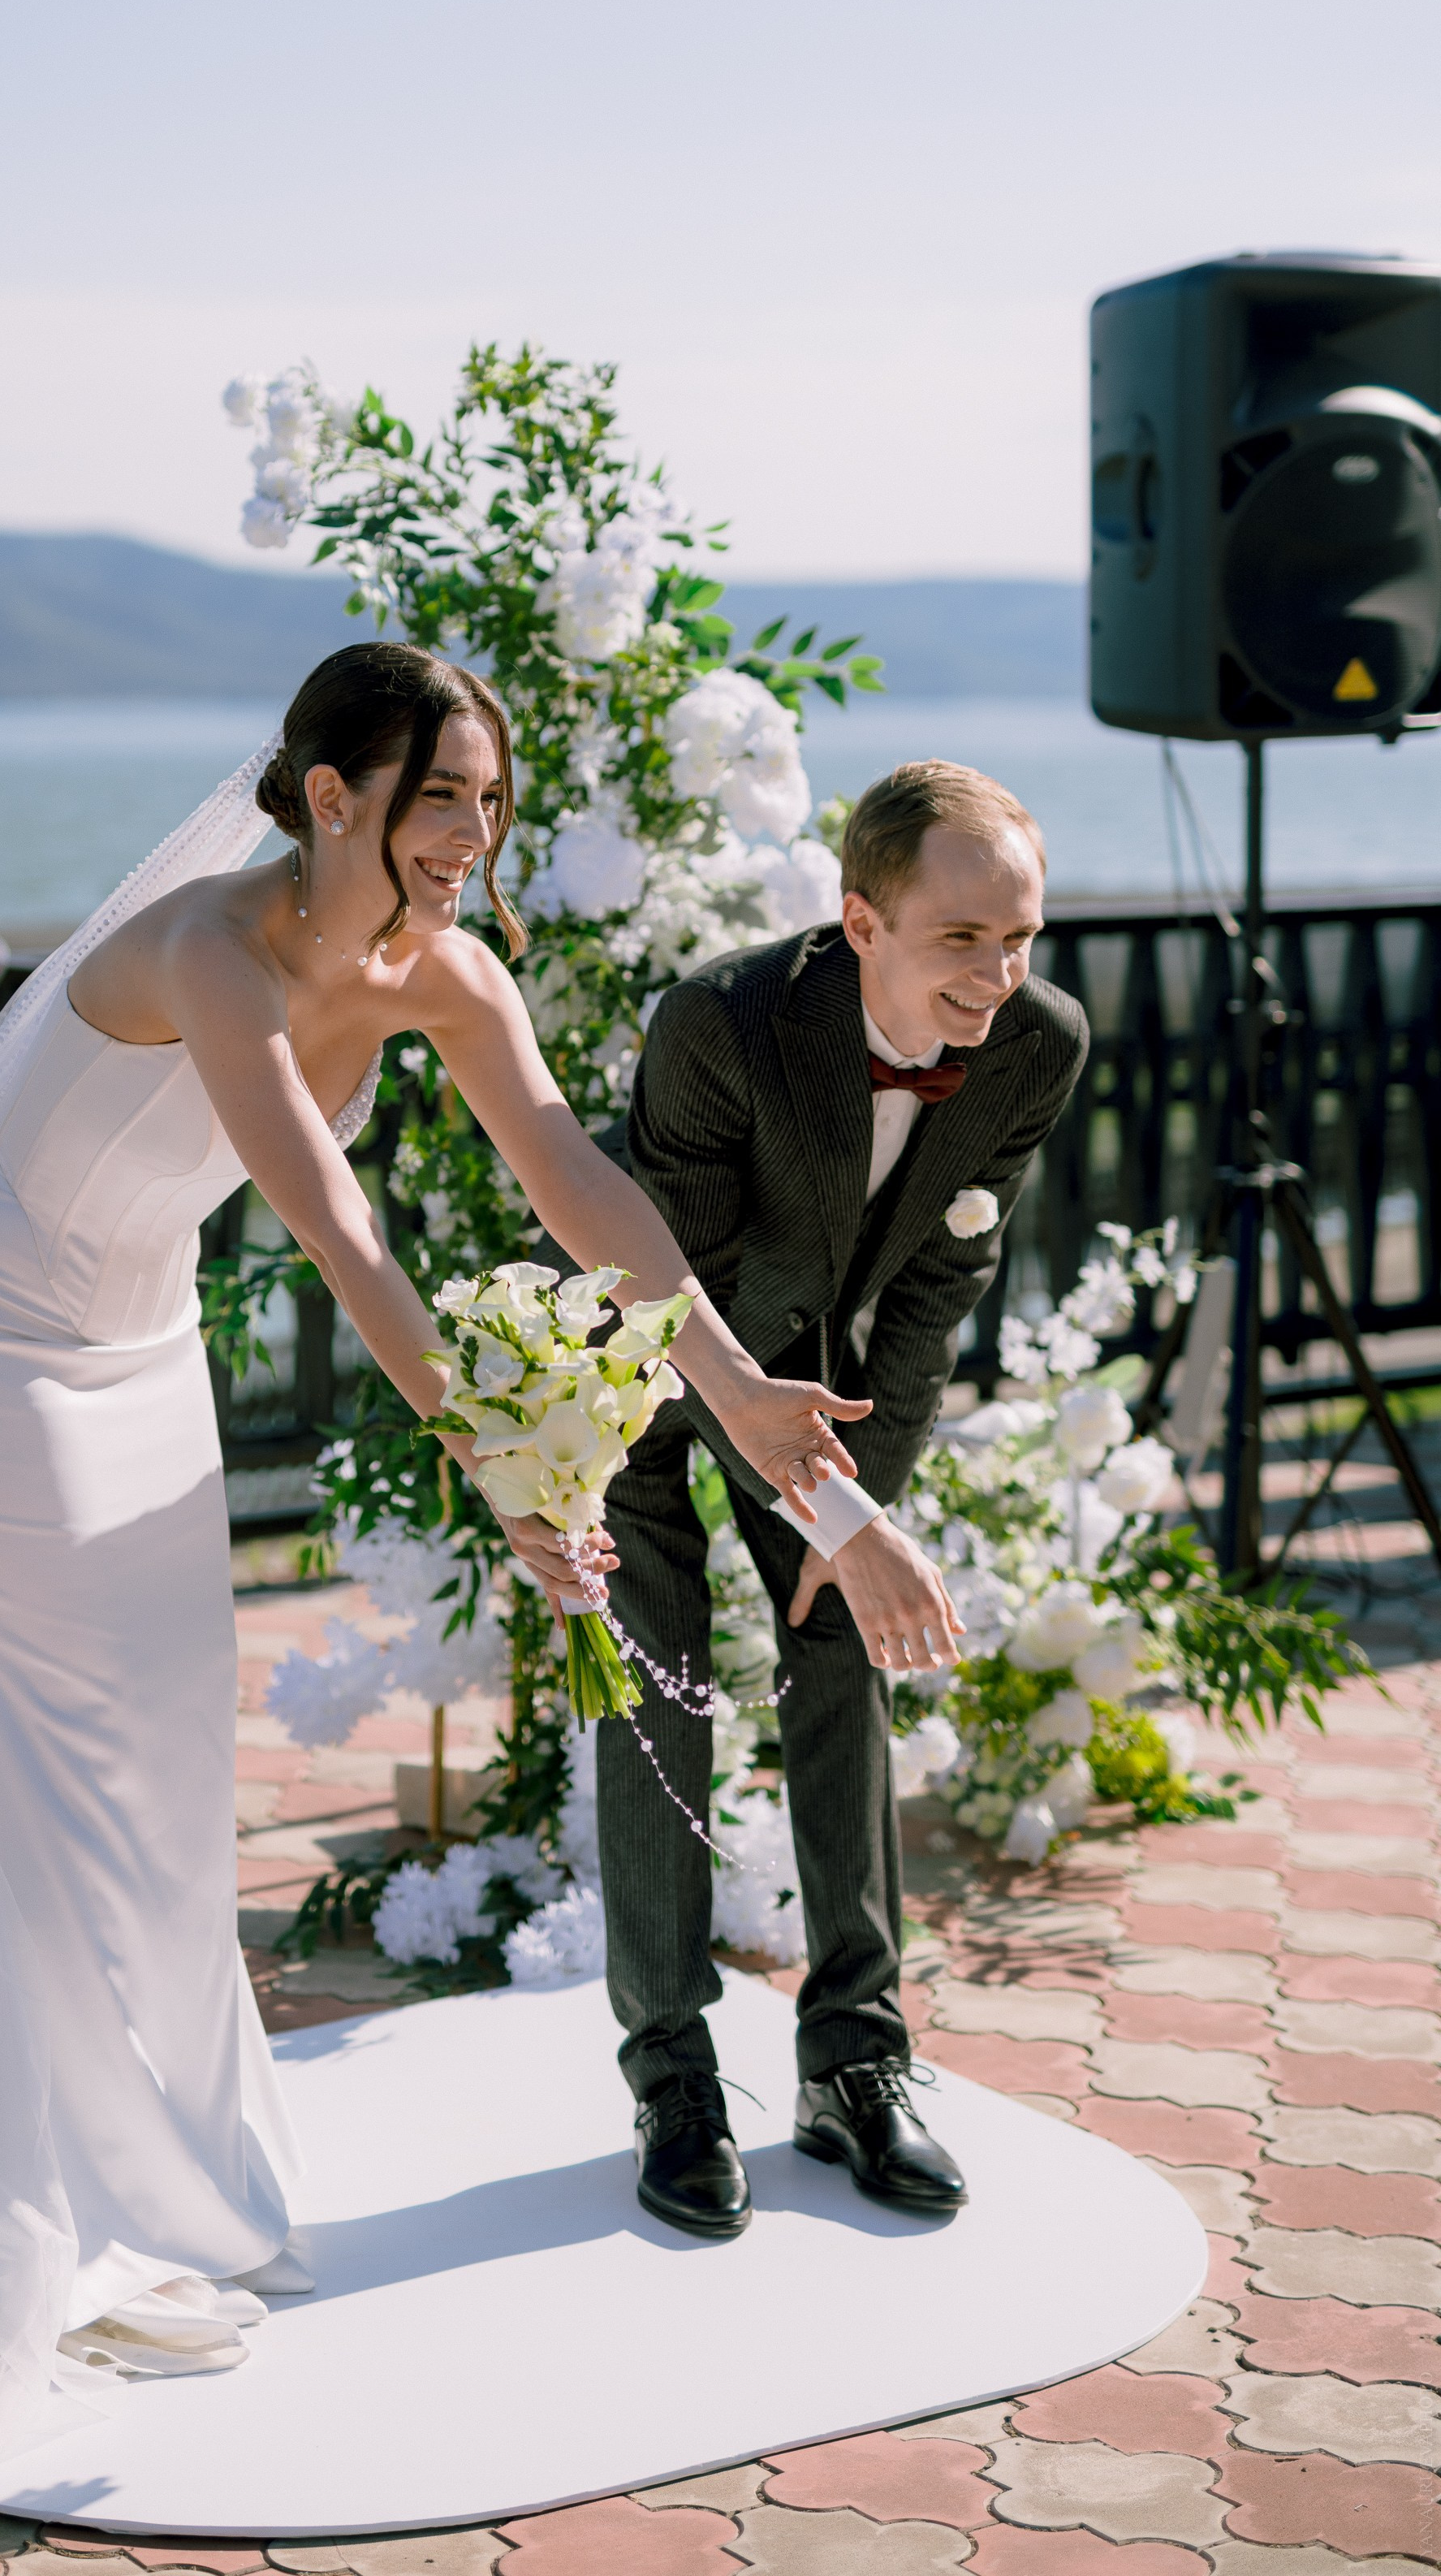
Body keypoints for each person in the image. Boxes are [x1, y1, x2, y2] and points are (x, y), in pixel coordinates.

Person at [0, 643, 861, 2576]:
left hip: (133, 1344)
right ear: (331, 796)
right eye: (441, 797)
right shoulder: (215, 949)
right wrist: (501, 1464)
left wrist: (728, 1383)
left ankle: (159, 2174)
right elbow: (334, 1224)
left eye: (491, 801)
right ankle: (57, 2207)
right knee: (58, 1761)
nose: (473, 836)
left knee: (156, 1755)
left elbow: (575, 1178)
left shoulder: (451, 973)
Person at [594, 761, 1089, 2241]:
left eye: (1021, 938)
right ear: (862, 923)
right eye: (962, 939)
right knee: (660, 1678)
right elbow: (686, 1303)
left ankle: (854, 2064)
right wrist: (846, 1524)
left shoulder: (1036, 1044)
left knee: (841, 1648)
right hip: (642, 1352)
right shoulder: (719, 1024)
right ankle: (672, 2075)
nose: (998, 976)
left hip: (818, 1376)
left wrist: (863, 1513)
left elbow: (938, 1284)